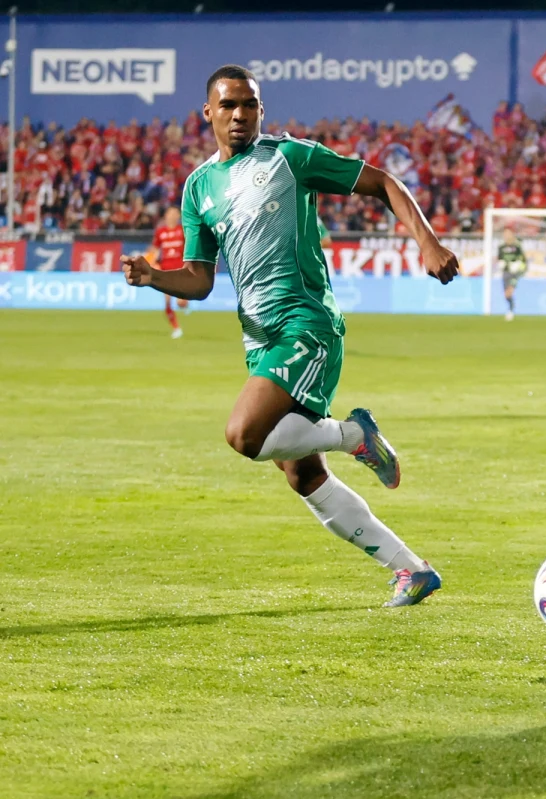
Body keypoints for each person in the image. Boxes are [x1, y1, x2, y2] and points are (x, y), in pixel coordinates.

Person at [120, 65, 460, 607]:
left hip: (307, 324)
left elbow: (381, 182)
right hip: (259, 339)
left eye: (248, 105)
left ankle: (354, 435)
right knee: (302, 475)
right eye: (228, 105)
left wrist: (428, 242)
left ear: (261, 110)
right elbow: (200, 280)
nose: (239, 114)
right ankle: (411, 570)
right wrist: (154, 277)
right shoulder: (199, 187)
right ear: (207, 112)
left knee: (244, 435)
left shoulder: (289, 157)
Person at [146, 207, 188, 338]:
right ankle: (176, 328)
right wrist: (151, 262)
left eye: (175, 214)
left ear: (178, 216)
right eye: (170, 213)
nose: (172, 216)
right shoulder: (160, 232)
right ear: (166, 216)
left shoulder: (182, 230)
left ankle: (185, 304)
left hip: (181, 270)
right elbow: (154, 249)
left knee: (181, 302)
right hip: (166, 270)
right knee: (168, 301)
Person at [497, 227, 527, 321]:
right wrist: (501, 263)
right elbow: (499, 258)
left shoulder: (517, 246)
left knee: (510, 291)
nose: (506, 236)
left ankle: (511, 310)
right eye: (505, 234)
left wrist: (519, 266)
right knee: (506, 294)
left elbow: (523, 259)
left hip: (515, 273)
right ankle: (511, 307)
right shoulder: (501, 247)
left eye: (508, 233)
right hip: (506, 272)